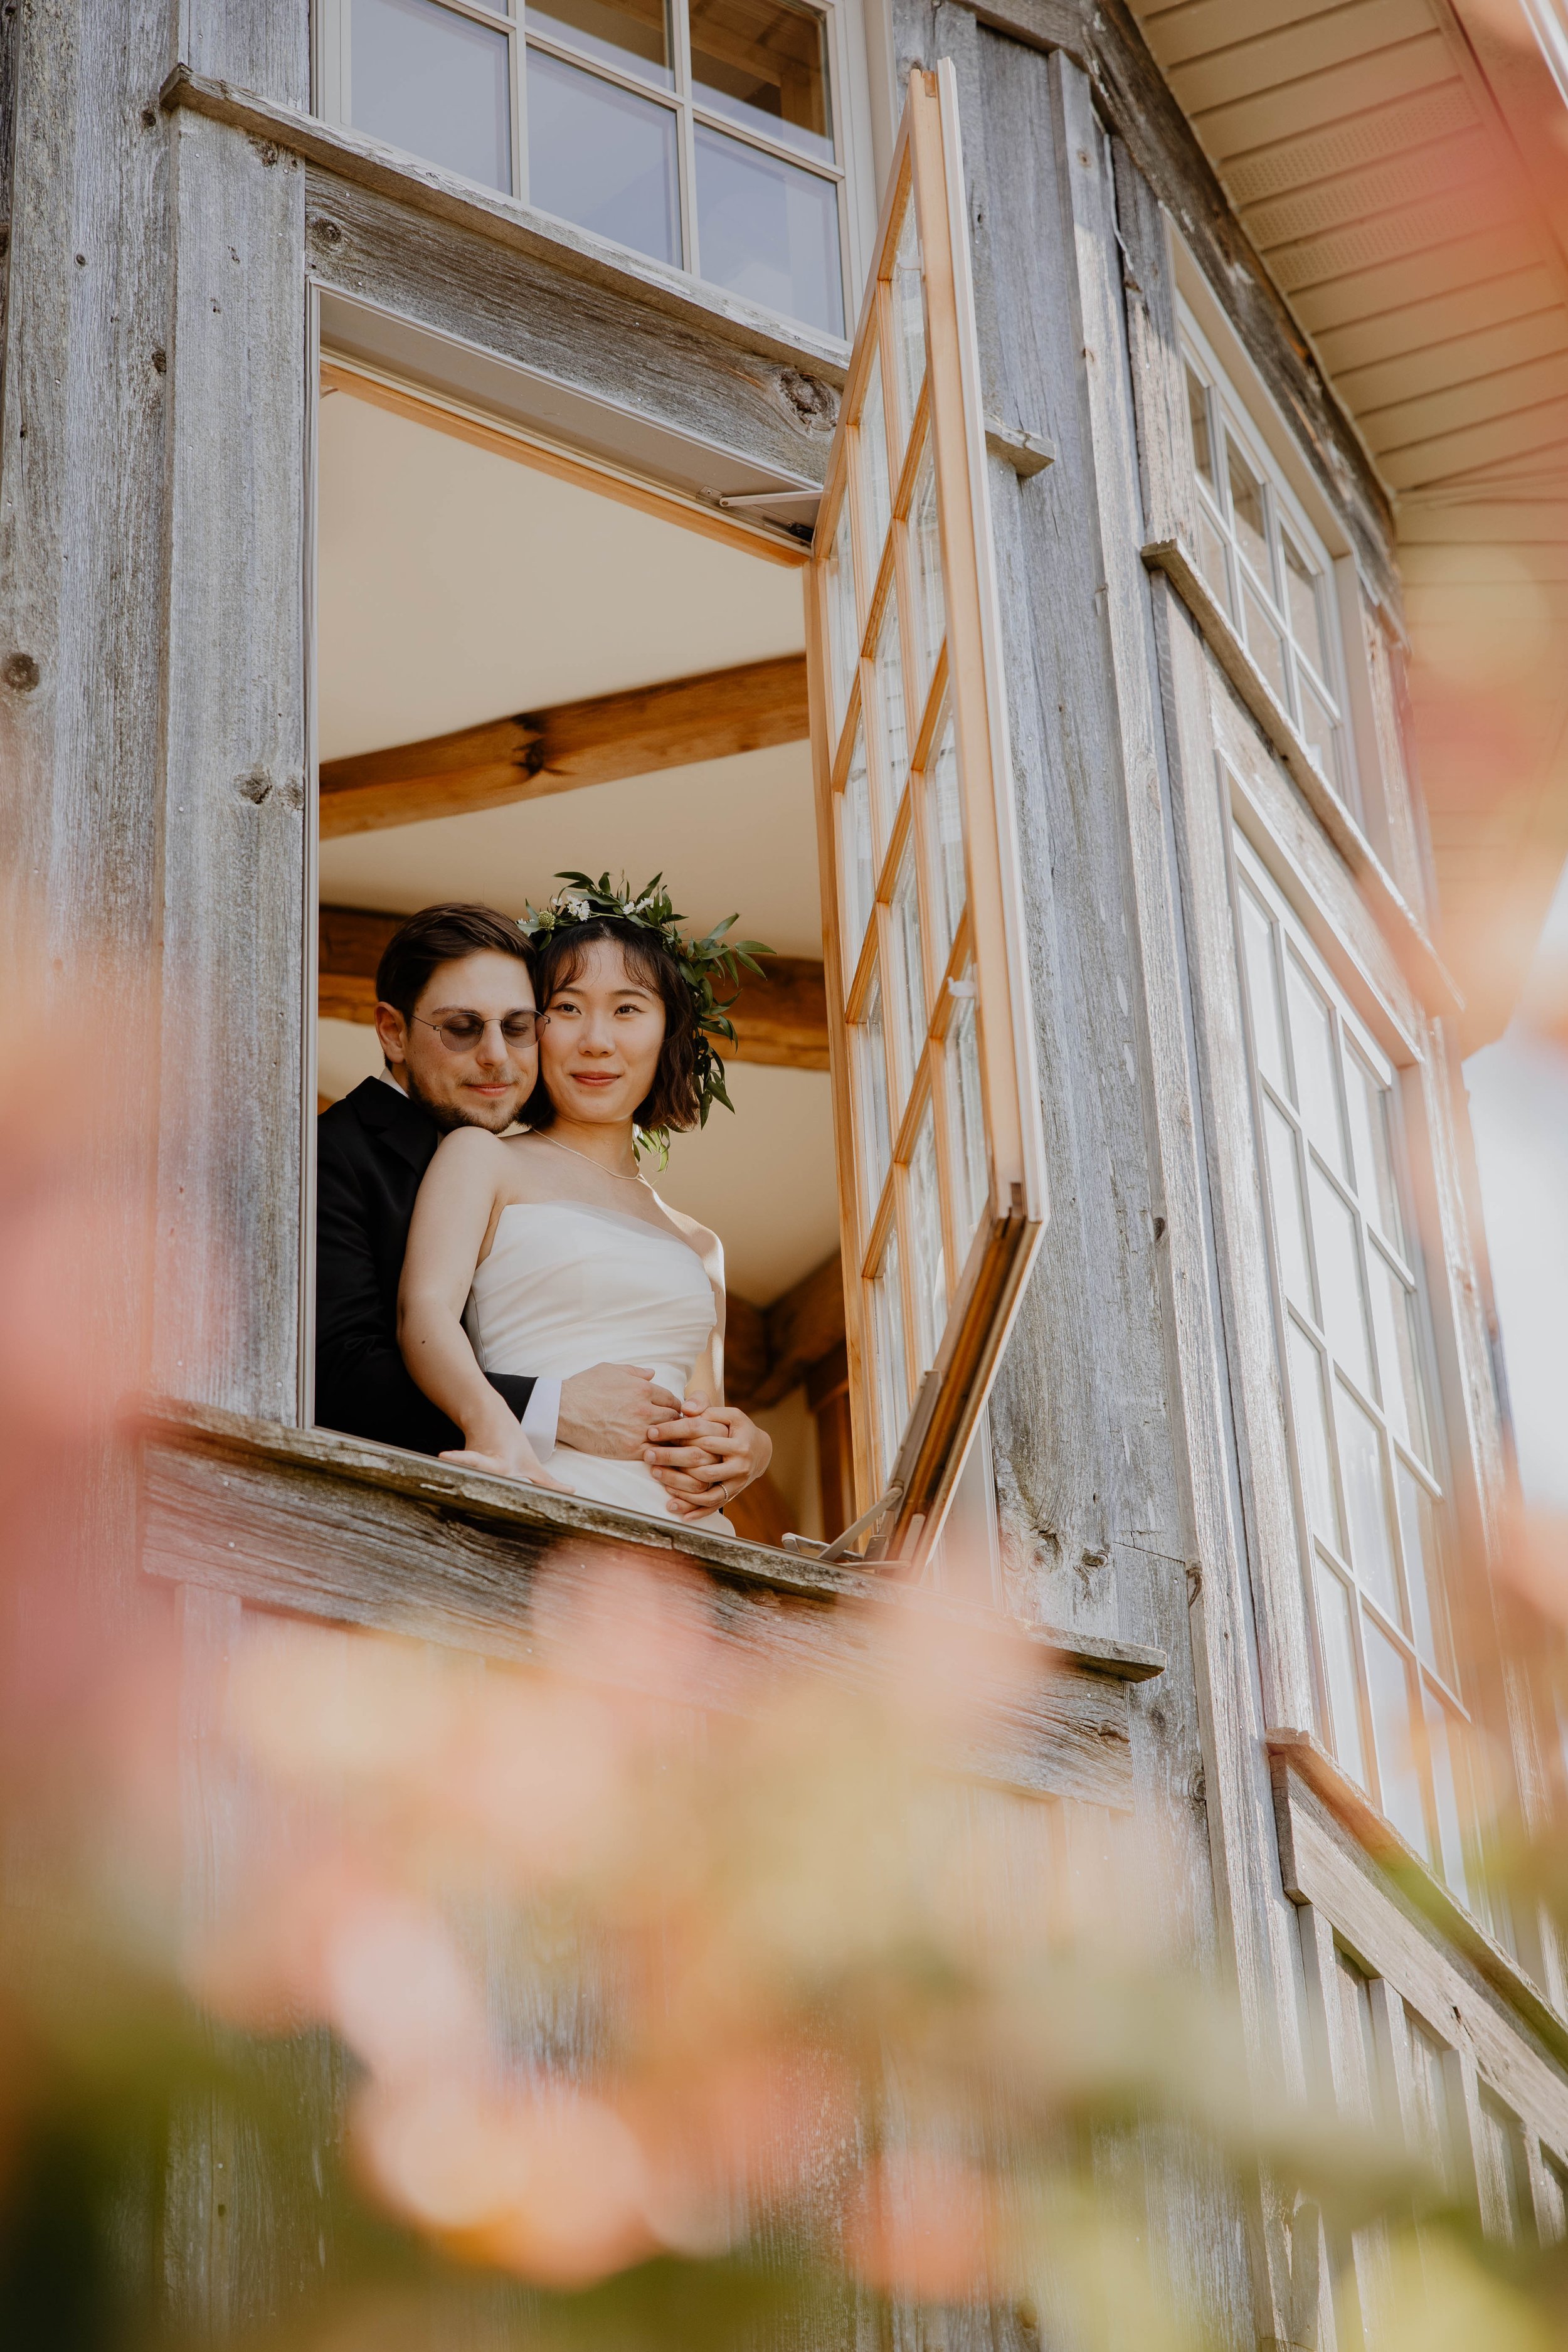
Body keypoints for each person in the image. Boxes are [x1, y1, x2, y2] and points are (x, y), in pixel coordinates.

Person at [397, 886, 773, 1526]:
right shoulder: (483, 1158)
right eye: (566, 1008)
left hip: (695, 1544)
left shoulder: (699, 1244)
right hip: (546, 1501)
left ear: (670, 1029)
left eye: (627, 1009)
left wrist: (750, 1451)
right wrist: (498, 1433)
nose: (596, 1040)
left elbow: (703, 1410)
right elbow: (422, 1315)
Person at [315, 902, 716, 1475]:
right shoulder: (335, 1153)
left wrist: (738, 1448)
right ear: (393, 1032)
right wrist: (554, 1406)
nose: (497, 1056)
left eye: (519, 1025)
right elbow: (339, 1375)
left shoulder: (474, 1145)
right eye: (461, 1027)